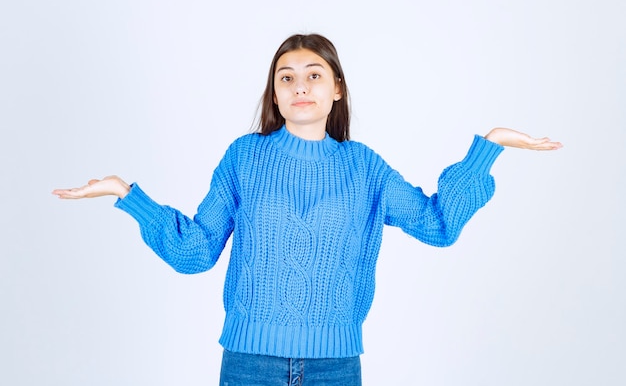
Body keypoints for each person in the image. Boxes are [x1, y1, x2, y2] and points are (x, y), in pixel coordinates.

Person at [52, 33, 562, 386]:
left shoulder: (365, 168)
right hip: (249, 362)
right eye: (287, 77)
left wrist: (488, 148)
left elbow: (438, 224)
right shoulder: (244, 157)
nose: (300, 86)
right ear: (274, 92)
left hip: (336, 365)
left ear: (336, 88)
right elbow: (195, 252)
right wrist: (127, 195)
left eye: (314, 75)